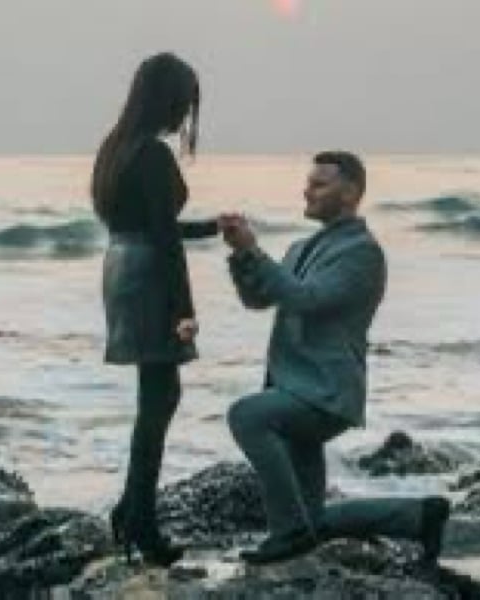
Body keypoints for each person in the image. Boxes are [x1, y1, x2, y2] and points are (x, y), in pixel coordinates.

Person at [221, 151, 450, 565]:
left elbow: (306, 299)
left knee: (247, 416)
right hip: (293, 385)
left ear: (350, 193)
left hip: (325, 393)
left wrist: (254, 251)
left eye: (319, 184)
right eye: (308, 183)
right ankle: (419, 516)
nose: (306, 191)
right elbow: (258, 299)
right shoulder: (300, 247)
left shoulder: (363, 253)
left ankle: (287, 533)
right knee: (314, 522)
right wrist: (241, 255)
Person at [91, 52, 220, 567]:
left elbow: (145, 223)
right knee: (159, 397)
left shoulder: (116, 148)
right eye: (184, 103)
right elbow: (165, 238)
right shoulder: (153, 155)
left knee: (157, 396)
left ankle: (132, 508)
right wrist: (184, 311)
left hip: (122, 265)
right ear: (167, 99)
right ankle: (140, 520)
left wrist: (212, 228)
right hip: (149, 274)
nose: (185, 114)